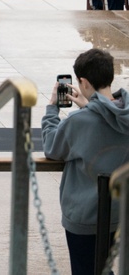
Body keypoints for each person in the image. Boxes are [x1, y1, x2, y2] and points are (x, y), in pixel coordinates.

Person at [42, 48, 129, 275]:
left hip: (84, 216)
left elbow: (52, 147)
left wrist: (52, 108)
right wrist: (91, 106)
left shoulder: (78, 121)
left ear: (83, 82)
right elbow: (110, 122)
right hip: (119, 212)